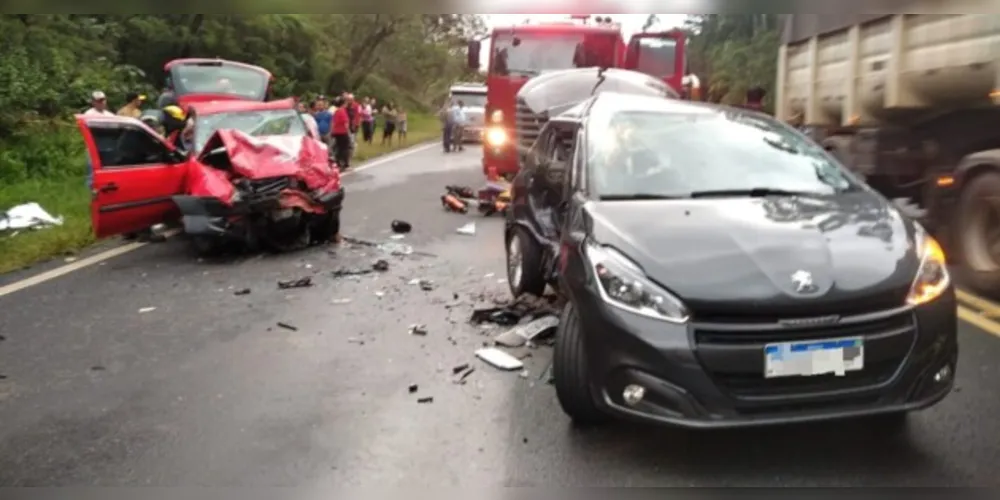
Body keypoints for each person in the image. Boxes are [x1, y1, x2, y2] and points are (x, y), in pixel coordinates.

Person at [330, 97, 352, 170]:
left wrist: (332, 131)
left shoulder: (336, 111)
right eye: (345, 103)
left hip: (336, 132)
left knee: (339, 148)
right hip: (342, 132)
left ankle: (338, 163)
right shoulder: (342, 111)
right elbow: (346, 123)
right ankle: (345, 164)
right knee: (345, 148)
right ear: (343, 104)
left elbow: (333, 122)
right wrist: (348, 132)